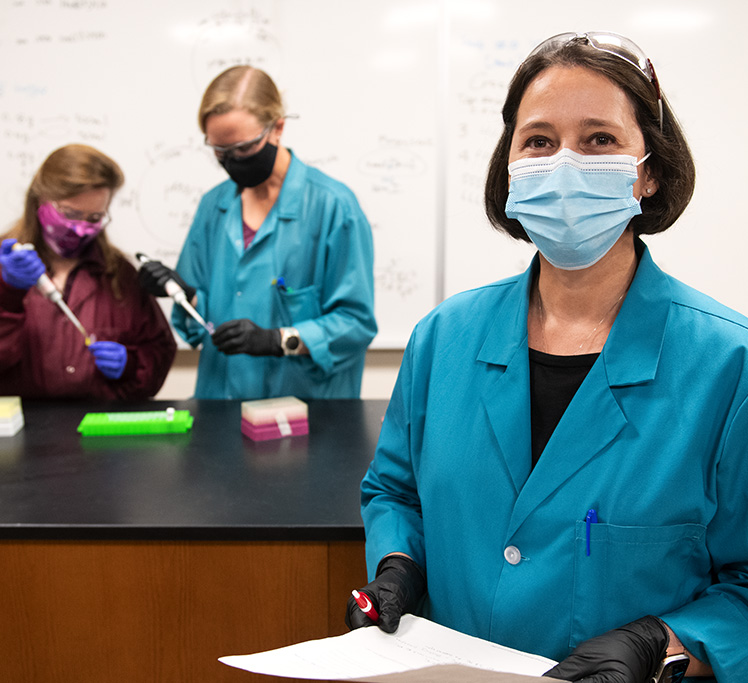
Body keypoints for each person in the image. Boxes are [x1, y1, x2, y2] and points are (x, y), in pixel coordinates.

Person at [347, 32, 748, 683]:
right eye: (538, 141)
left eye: (599, 140)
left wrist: (663, 641)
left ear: (648, 170)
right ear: (509, 170)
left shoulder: (729, 365)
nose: (564, 165)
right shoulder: (442, 337)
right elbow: (395, 489)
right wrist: (400, 566)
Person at [138, 66, 377, 399]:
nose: (233, 162)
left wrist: (278, 340)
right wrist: (184, 294)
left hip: (305, 411)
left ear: (277, 128)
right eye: (220, 152)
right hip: (220, 404)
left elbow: (356, 323)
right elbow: (197, 327)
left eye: (244, 149)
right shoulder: (214, 206)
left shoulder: (333, 207)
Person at [0, 144, 176, 399]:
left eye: (94, 218)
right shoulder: (6, 263)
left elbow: (159, 351)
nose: (81, 229)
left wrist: (131, 365)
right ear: (40, 200)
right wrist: (7, 292)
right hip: (18, 429)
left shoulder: (120, 275)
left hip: (98, 428)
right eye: (70, 213)